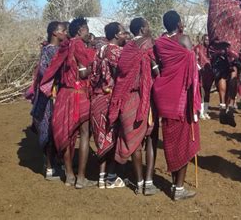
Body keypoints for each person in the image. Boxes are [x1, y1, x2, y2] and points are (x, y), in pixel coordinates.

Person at [40, 17, 96, 188]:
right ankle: (81, 178)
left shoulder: (62, 47)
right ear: (80, 30)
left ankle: (69, 175)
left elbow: (52, 70)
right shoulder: (79, 45)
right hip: (79, 94)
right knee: (84, 134)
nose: (88, 33)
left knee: (66, 133)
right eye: (86, 29)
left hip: (64, 94)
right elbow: (84, 72)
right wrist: (93, 66)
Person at [108, 17, 160, 196]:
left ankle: (138, 183)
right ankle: (149, 182)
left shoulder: (127, 48)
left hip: (126, 98)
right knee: (151, 138)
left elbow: (121, 72)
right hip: (144, 97)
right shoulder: (148, 44)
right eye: (148, 26)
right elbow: (157, 70)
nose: (150, 29)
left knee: (133, 141)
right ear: (143, 29)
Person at [153, 10, 201, 201]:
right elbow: (192, 72)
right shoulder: (184, 40)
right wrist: (196, 100)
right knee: (185, 141)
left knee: (171, 141)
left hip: (165, 97)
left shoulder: (160, 43)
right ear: (179, 23)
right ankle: (179, 188)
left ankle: (175, 184)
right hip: (182, 99)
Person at [27, 21, 68, 180]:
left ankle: (55, 163)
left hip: (53, 94)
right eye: (63, 31)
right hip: (49, 96)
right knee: (49, 131)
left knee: (54, 130)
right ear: (54, 33)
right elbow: (47, 73)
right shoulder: (51, 51)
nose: (65, 33)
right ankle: (50, 167)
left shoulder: (53, 50)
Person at [90, 22, 127, 188]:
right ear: (117, 35)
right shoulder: (116, 51)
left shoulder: (99, 50)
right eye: (123, 33)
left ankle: (101, 177)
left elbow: (93, 76)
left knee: (101, 138)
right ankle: (111, 178)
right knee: (113, 138)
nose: (125, 35)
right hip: (110, 99)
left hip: (97, 98)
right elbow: (125, 73)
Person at [193, 34, 213, 120]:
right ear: (203, 39)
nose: (207, 41)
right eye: (206, 40)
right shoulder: (198, 48)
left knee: (208, 92)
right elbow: (194, 59)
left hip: (209, 73)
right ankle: (201, 112)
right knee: (202, 92)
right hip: (201, 73)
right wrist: (199, 68)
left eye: (208, 40)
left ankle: (206, 111)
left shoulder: (211, 49)